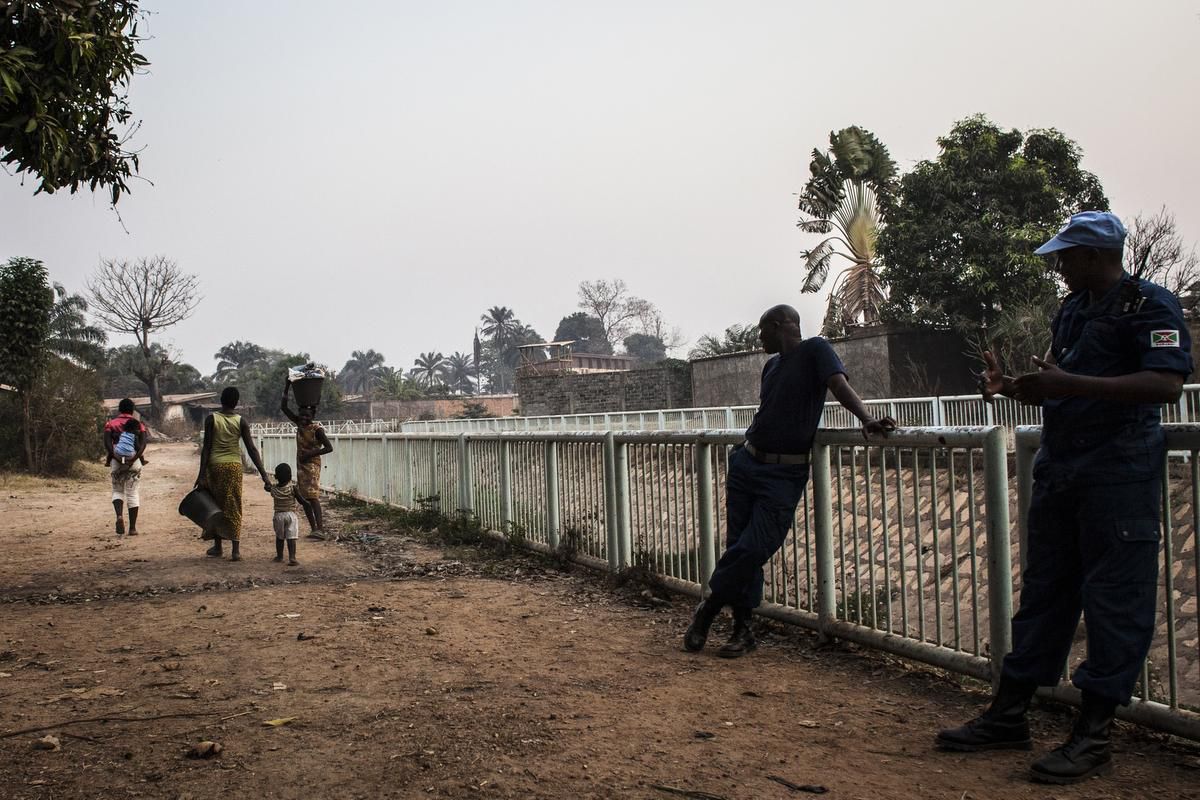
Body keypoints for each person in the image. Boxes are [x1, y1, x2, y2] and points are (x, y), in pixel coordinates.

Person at [935, 211, 1193, 784]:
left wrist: (1066, 384)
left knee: (1113, 602)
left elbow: (1166, 386)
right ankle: (1010, 714)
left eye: (1067, 257)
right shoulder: (1073, 310)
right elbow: (1065, 388)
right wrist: (1019, 391)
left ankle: (1094, 736)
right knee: (1045, 593)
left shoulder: (1150, 306)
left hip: (1117, 473)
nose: (1059, 267)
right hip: (1063, 469)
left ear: (1099, 255)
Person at [684, 304, 896, 657]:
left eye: (763, 330)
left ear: (781, 325)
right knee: (741, 548)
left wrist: (867, 417)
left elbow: (837, 385)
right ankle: (743, 629)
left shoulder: (816, 349)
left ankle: (708, 609)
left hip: (784, 473)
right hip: (747, 462)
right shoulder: (771, 366)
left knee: (753, 547)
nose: (759, 337)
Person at [196, 387, 271, 562]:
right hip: (234, 467)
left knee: (215, 506)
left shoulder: (211, 419)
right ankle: (235, 549)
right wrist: (264, 475)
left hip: (215, 466)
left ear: (221, 400)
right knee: (234, 504)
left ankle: (218, 546)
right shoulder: (241, 421)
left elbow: (206, 449)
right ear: (236, 402)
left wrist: (201, 475)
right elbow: (252, 449)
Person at [281, 379, 333, 538]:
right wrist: (288, 385)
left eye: (307, 416)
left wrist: (310, 454)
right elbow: (284, 408)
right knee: (304, 497)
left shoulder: (317, 429)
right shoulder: (299, 424)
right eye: (301, 415)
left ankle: (320, 528)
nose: (303, 418)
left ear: (313, 415)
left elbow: (329, 447)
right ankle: (314, 529)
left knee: (313, 496)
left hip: (312, 465)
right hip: (301, 465)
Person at [103, 398, 148, 536]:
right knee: (132, 493)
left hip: (117, 460)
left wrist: (115, 457)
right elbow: (143, 444)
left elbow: (107, 444)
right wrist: (134, 458)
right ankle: (132, 528)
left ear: (119, 409)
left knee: (117, 490)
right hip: (133, 461)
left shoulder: (111, 424)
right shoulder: (139, 425)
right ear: (132, 410)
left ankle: (119, 517)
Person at [265, 462, 311, 566]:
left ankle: (280, 556)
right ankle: (292, 557)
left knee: (280, 537)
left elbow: (266, 488)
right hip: (291, 515)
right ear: (290, 476)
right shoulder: (293, 488)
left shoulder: (274, 489)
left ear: (276, 476)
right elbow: (301, 500)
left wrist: (266, 481)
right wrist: (307, 504)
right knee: (291, 538)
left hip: (278, 516)